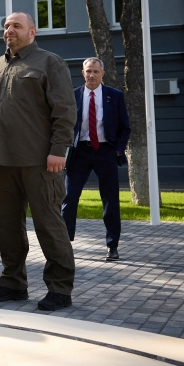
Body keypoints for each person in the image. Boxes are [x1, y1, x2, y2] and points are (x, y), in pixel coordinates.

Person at [0, 12, 76, 312]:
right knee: (6, 226)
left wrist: (59, 149)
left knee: (48, 224)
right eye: (6, 26)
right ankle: (12, 282)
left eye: (16, 26)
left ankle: (59, 288)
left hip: (38, 161)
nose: (9, 30)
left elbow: (64, 109)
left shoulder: (49, 62)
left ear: (32, 31)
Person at [61, 57, 131, 262]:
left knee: (110, 200)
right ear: (82, 73)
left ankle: (112, 246)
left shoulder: (114, 96)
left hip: (105, 152)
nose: (91, 75)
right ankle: (64, 245)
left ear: (103, 74)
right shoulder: (72, 96)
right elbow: (63, 125)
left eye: (95, 71)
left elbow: (125, 127)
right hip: (79, 153)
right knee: (69, 197)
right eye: (88, 71)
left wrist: (117, 151)